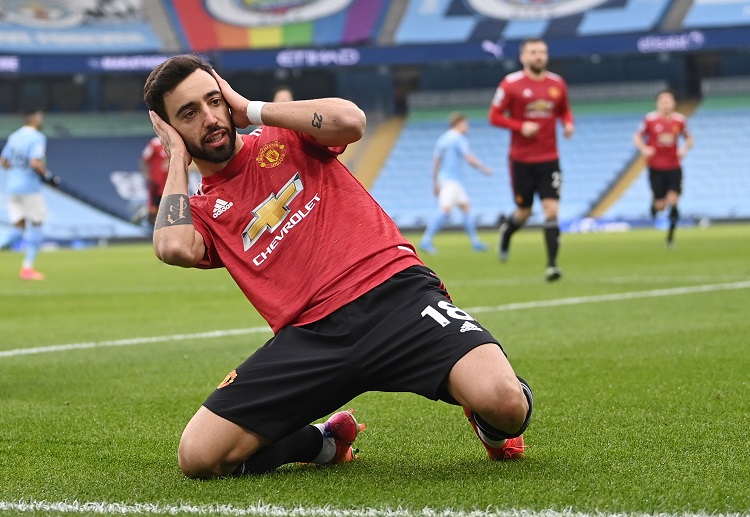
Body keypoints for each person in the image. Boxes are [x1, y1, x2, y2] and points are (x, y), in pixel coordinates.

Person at [143, 54, 533, 479]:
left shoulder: (283, 135)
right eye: (189, 113)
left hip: (396, 295)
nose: (211, 117)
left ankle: (489, 427)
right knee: (198, 457)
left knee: (506, 404)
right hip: (311, 339)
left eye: (214, 101)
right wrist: (176, 160)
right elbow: (172, 246)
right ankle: (324, 443)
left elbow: (351, 120)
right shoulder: (200, 211)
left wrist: (250, 107)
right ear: (169, 129)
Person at [489, 38, 574, 282]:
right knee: (524, 212)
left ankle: (552, 265)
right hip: (521, 160)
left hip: (550, 158)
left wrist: (568, 123)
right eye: (533, 52)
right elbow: (494, 116)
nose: (539, 56)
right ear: (523, 57)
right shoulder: (511, 84)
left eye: (542, 52)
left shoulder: (557, 84)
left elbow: (564, 110)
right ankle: (507, 231)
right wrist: (519, 125)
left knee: (551, 209)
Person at [419, 112, 492, 255]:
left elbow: (436, 161)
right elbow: (469, 157)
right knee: (444, 209)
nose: (467, 127)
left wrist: (435, 182)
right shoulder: (458, 138)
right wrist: (484, 168)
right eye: (465, 124)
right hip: (451, 180)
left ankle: (475, 242)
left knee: (465, 206)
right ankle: (426, 240)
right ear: (459, 124)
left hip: (445, 179)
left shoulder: (443, 139)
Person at [0, 107, 58, 280]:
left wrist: (17, 170)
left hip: (12, 186)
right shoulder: (37, 137)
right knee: (37, 225)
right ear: (35, 118)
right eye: (40, 117)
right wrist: (48, 176)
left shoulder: (14, 136)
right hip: (29, 187)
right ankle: (27, 268)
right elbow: (34, 162)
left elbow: (3, 161)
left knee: (18, 228)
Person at [633, 89, 693, 248]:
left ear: (673, 103)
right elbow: (637, 136)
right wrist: (644, 148)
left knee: (673, 200)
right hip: (656, 167)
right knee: (661, 205)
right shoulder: (650, 120)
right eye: (662, 101)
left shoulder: (680, 121)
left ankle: (670, 238)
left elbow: (689, 139)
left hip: (674, 166)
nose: (665, 104)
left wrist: (684, 149)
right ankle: (654, 204)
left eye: (668, 101)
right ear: (658, 103)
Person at [140, 136, 170, 226]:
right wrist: (148, 176)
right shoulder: (155, 143)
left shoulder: (175, 143)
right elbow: (144, 160)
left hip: (170, 183)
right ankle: (153, 229)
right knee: (154, 209)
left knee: (169, 208)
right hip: (157, 183)